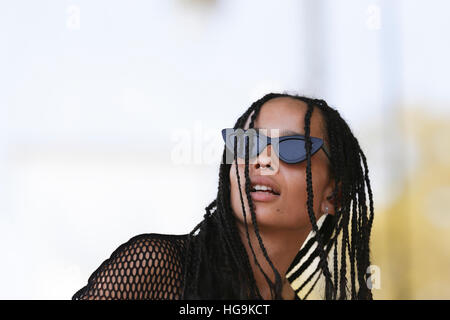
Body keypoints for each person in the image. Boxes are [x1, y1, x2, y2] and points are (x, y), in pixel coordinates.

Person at [72, 92, 374, 300]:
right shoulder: (158, 265)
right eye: (246, 143)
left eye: (293, 147)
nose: (261, 160)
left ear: (333, 196)